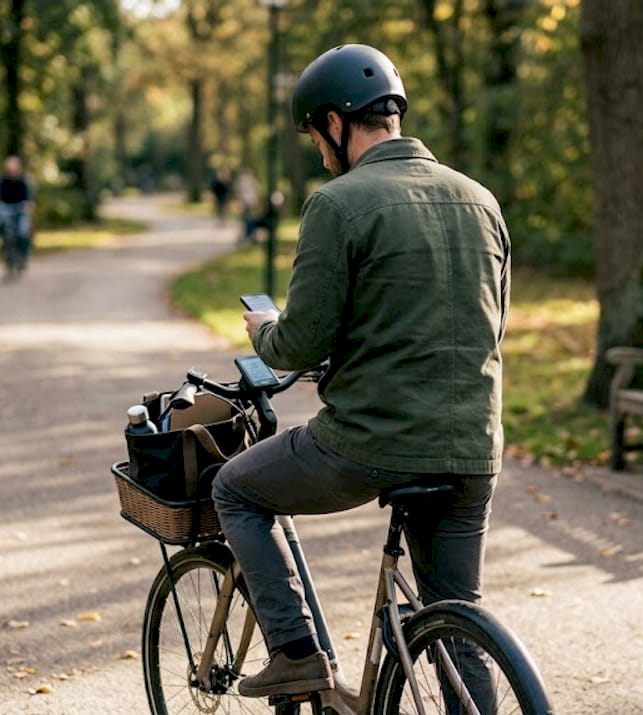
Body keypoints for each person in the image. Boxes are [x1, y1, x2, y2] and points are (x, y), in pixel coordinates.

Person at [211, 44, 511, 702]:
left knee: (233, 488)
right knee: (460, 624)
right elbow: (489, 323)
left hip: (371, 444)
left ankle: (294, 652)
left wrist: (268, 331)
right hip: (472, 447)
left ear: (336, 122)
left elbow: (299, 341)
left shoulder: (337, 205)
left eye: (317, 133)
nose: (320, 150)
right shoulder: (480, 200)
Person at [0, 155, 34, 279]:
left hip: (20, 209)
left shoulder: (23, 180)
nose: (11, 170)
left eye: (13, 167)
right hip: (6, 209)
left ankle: (23, 258)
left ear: (18, 168)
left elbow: (28, 197)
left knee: (23, 232)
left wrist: (28, 205)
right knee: (3, 228)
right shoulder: (2, 180)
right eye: (9, 168)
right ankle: (6, 254)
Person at [233, 167, 261, 244]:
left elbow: (238, 192)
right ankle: (247, 237)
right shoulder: (249, 181)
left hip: (248, 203)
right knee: (246, 220)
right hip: (247, 203)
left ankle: (248, 236)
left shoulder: (246, 181)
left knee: (247, 220)